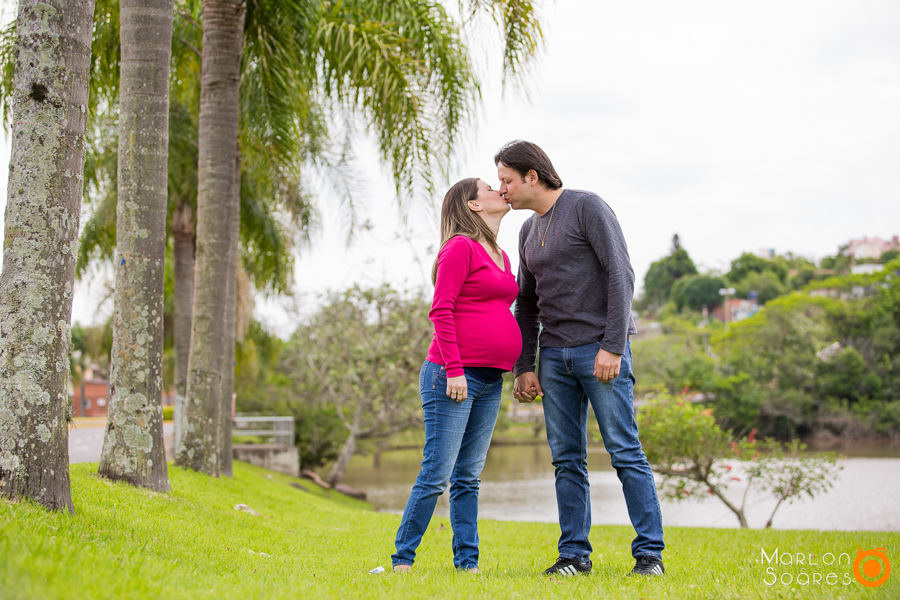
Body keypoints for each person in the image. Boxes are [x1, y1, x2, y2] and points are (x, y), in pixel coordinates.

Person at [496, 140, 665, 577]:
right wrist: (525, 365)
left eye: (507, 180)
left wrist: (612, 343)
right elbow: (527, 303)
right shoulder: (527, 231)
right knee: (566, 459)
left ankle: (649, 556)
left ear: (532, 176)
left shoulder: (587, 207)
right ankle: (574, 556)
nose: (503, 190)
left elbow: (620, 273)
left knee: (625, 451)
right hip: (554, 357)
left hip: (599, 351)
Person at [391, 177, 522, 574]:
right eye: (488, 186)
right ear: (473, 205)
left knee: (469, 476)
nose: (499, 189)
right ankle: (403, 560)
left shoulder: (500, 254)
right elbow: (441, 310)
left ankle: (468, 563)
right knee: (437, 473)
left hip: (491, 380)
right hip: (453, 376)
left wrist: (516, 365)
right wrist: (454, 368)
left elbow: (500, 314)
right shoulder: (459, 247)